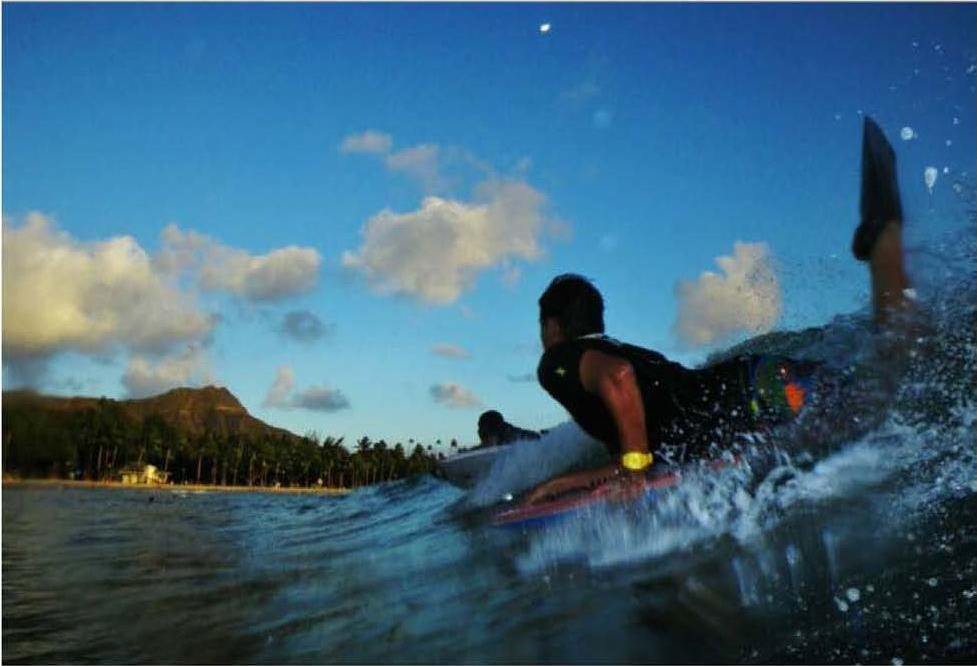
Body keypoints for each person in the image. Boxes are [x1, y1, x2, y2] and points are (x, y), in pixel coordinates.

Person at [524, 117, 916, 505]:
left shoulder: (559, 361)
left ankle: (884, 239)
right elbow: (643, 429)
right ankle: (884, 240)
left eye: (543, 328)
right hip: (759, 384)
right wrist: (572, 481)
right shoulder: (614, 351)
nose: (543, 338)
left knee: (887, 397)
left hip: (750, 402)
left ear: (553, 326)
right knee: (888, 383)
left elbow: (618, 379)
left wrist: (635, 469)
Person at [476, 410, 542, 448]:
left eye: (486, 435)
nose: (478, 432)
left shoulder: (516, 436)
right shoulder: (495, 438)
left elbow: (537, 437)